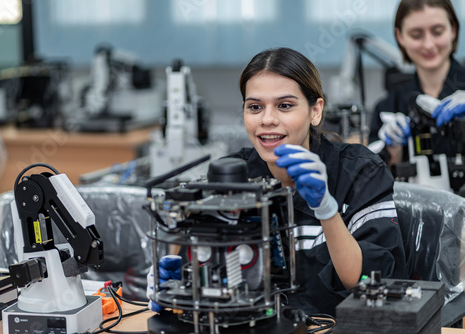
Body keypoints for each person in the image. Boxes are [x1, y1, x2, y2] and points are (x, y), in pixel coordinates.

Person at [148, 47, 406, 317]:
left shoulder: (361, 171)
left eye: (285, 105)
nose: (267, 120)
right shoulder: (231, 177)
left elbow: (371, 283)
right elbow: (203, 282)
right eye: (255, 107)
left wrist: (327, 210)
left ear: (315, 111)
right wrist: (175, 284)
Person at [369, 0, 465, 167]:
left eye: (437, 32)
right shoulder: (388, 107)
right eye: (416, 35)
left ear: (453, 30)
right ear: (400, 37)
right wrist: (392, 149)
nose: (428, 44)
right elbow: (374, 183)